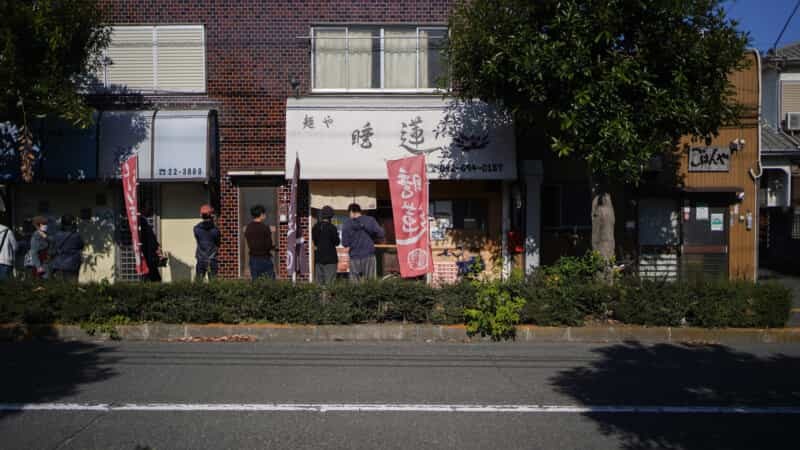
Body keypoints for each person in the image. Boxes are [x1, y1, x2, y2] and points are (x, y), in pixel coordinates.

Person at [341, 203, 384, 281]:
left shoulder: (347, 224)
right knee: (370, 282)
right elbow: (381, 234)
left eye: (349, 213)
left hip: (354, 257)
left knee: (355, 283)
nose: (349, 216)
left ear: (352, 212)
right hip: (369, 255)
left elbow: (345, 243)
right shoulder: (370, 220)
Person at [51, 214, 85, 281]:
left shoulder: (56, 235)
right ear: (72, 223)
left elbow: (53, 246)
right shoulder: (76, 236)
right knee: (71, 288)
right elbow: (81, 246)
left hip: (58, 265)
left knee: (57, 287)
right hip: (72, 265)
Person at [244, 204, 275, 280]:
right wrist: (273, 248)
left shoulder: (248, 227)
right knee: (270, 282)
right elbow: (268, 245)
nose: (265, 215)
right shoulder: (265, 228)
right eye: (264, 213)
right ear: (261, 214)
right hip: (265, 258)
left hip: (253, 258)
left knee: (256, 282)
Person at [312, 205, 340, 285]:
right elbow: (337, 242)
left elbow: (315, 241)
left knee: (319, 283)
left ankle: (320, 297)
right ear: (331, 216)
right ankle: (328, 297)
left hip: (319, 258)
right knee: (330, 283)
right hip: (331, 258)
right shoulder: (332, 228)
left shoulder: (315, 227)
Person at [194, 204, 221, 280]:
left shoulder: (196, 229)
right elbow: (218, 243)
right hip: (212, 259)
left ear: (201, 216)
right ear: (211, 215)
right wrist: (215, 222)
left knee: (199, 282)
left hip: (201, 258)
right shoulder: (215, 230)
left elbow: (198, 240)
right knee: (213, 283)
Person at [139, 206, 162, 282]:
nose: (149, 209)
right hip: (147, 252)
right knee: (152, 275)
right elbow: (149, 238)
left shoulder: (144, 220)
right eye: (147, 206)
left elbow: (151, 237)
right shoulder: (141, 221)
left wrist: (157, 246)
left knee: (152, 274)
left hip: (150, 252)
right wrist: (156, 247)